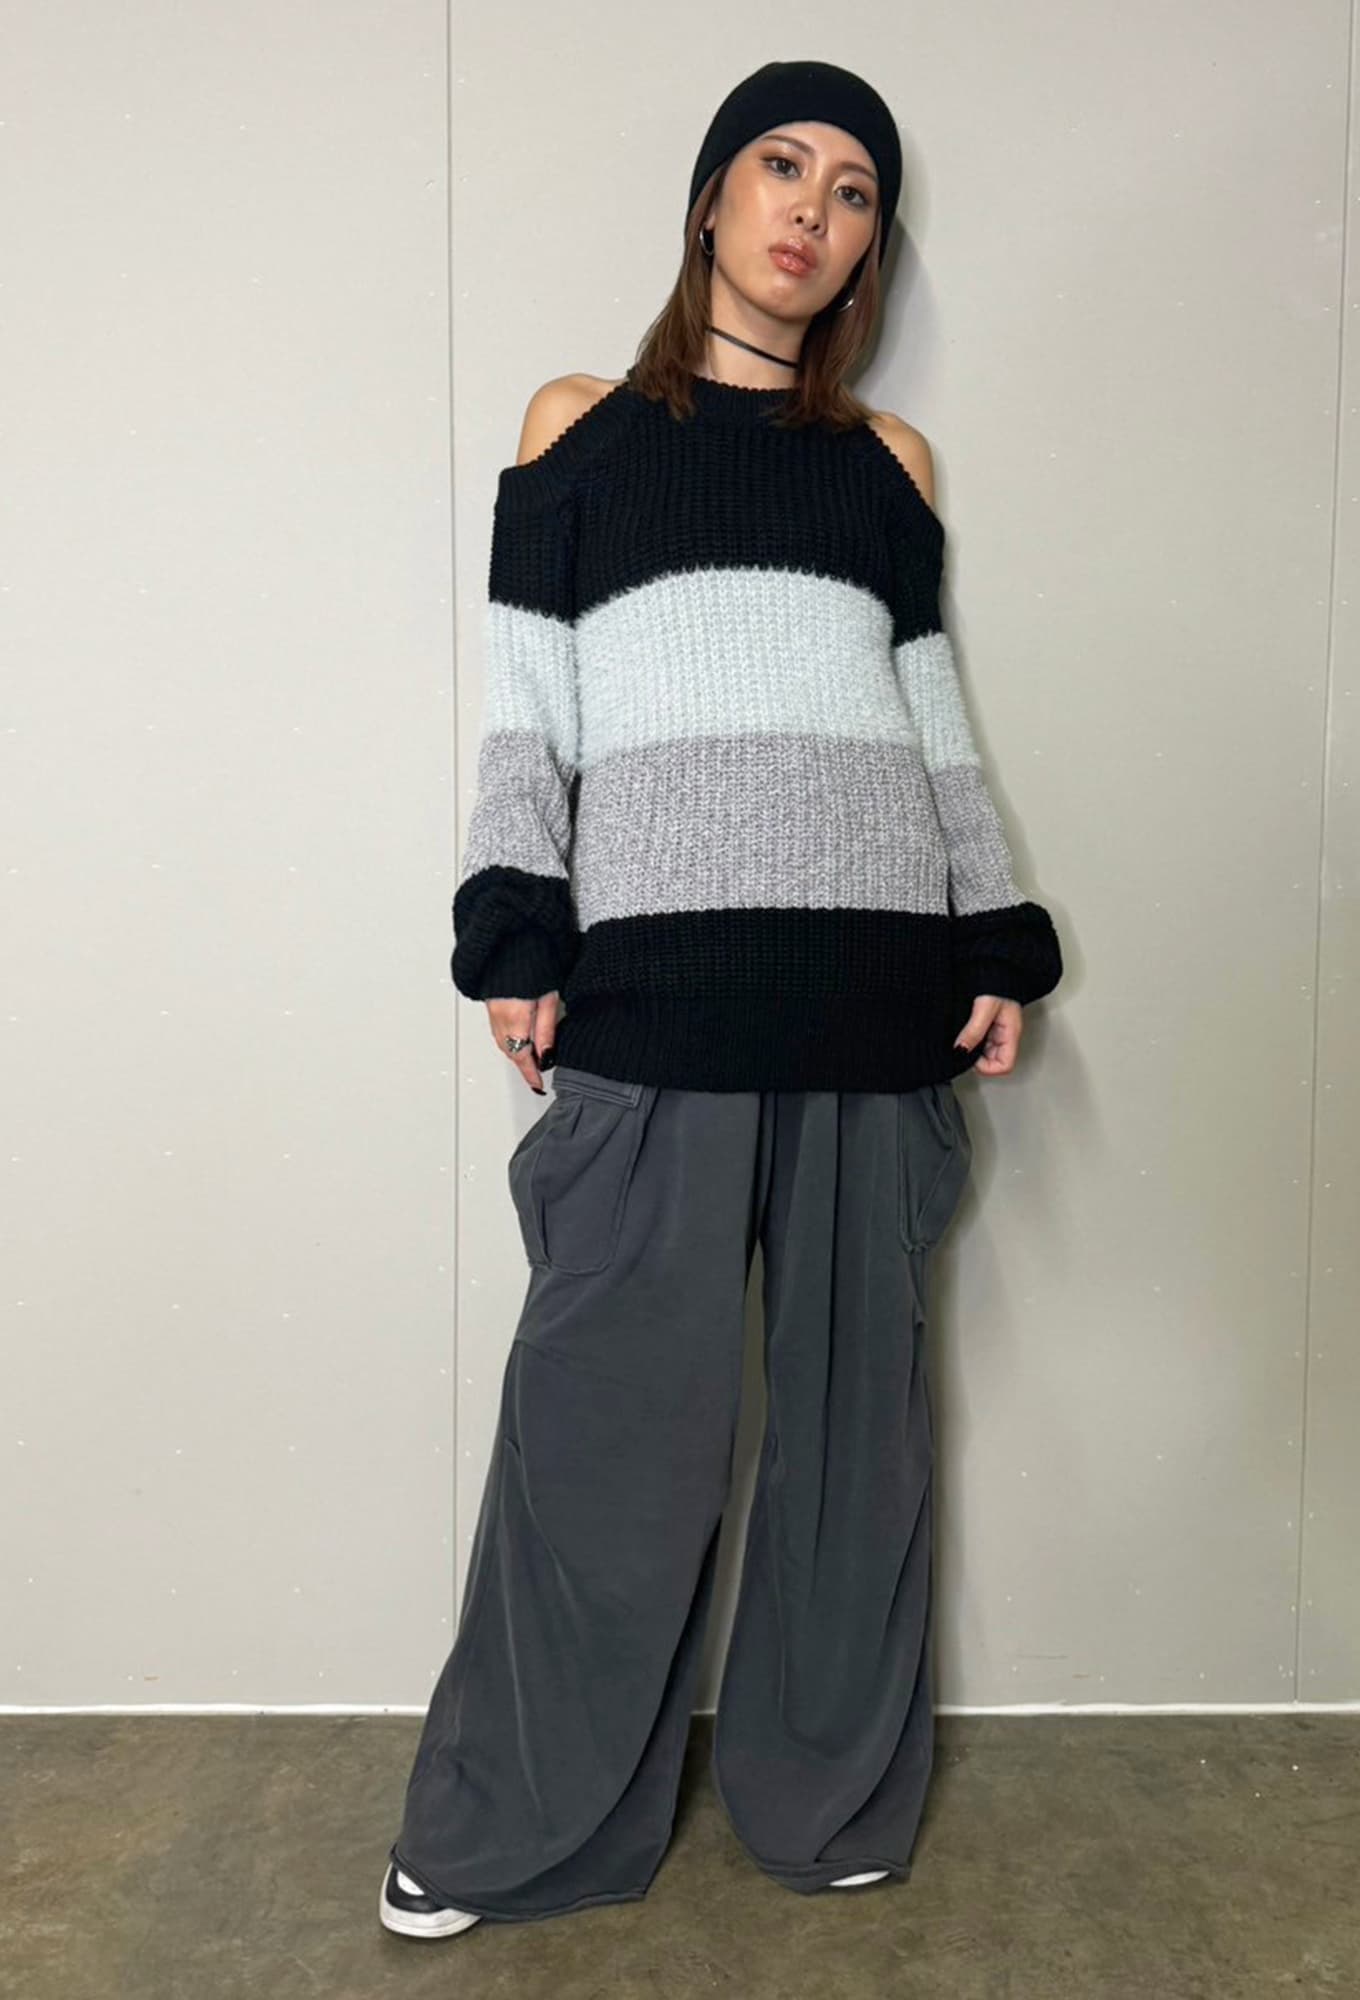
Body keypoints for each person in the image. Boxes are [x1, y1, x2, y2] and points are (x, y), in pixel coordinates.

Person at [379, 58, 1063, 1940]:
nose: (811, 213)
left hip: (873, 1008)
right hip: (657, 1007)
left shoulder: (887, 465)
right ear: (710, 196)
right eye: (782, 166)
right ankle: (511, 1829)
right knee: (603, 1439)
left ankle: (827, 1798)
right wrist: (517, 928)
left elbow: (933, 728)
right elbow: (530, 708)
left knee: (857, 1454)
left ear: (867, 247)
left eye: (853, 192)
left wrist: (992, 937)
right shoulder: (579, 427)